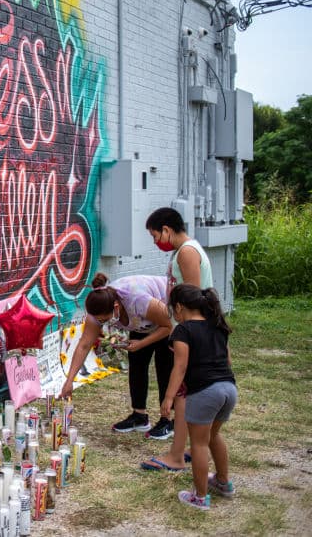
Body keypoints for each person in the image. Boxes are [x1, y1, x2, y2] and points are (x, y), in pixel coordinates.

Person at [141, 206, 214, 471]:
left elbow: (193, 298)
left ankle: (176, 456)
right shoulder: (184, 251)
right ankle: (186, 448)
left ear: (167, 230)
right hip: (187, 333)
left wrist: (183, 334)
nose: (155, 241)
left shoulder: (187, 252)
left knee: (183, 394)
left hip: (190, 335)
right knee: (188, 392)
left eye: (155, 235)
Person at [59, 273, 172, 437]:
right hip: (142, 324)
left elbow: (169, 325)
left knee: (165, 367)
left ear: (116, 307)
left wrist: (142, 343)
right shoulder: (97, 310)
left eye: (105, 319)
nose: (102, 323)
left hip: (167, 319)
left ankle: (167, 420)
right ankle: (139, 416)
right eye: (100, 321)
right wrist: (69, 381)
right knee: (137, 363)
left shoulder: (137, 299)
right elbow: (84, 345)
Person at [161, 284, 237, 509]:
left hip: (205, 392)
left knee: (199, 444)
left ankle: (200, 497)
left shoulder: (183, 330)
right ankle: (223, 482)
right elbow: (228, 361)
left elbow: (180, 366)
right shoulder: (218, 326)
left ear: (179, 307)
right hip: (229, 389)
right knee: (213, 436)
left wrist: (168, 397)